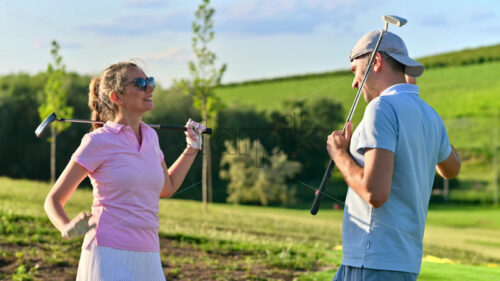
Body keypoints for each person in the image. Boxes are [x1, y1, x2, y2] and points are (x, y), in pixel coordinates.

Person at [44, 62, 204, 281]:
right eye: (140, 83)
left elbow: (167, 188)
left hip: (149, 255)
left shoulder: (151, 137)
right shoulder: (97, 141)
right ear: (116, 97)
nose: (149, 88)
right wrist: (66, 226)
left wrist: (192, 148)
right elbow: (53, 199)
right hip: (106, 254)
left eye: (150, 81)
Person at [326, 31, 461, 280]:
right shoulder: (429, 114)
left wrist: (339, 155)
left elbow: (374, 194)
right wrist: (422, 122)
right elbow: (452, 169)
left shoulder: (381, 108)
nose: (354, 82)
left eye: (355, 70)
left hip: (373, 259)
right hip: (401, 263)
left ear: (376, 61)